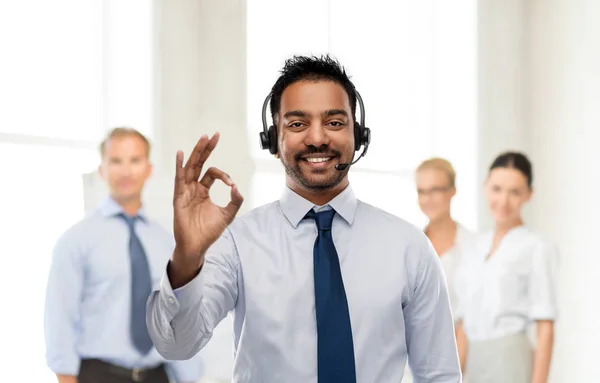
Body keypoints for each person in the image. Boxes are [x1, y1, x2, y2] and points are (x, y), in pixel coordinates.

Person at [147, 55, 461, 382]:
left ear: (360, 135)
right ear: (272, 140)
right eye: (297, 124)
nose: (317, 138)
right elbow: (176, 345)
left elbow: (439, 374)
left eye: (335, 122)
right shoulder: (236, 241)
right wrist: (187, 257)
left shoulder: (409, 248)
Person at [44, 128, 204, 383]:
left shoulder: (165, 242)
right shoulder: (76, 240)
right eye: (116, 161)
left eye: (135, 160)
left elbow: (178, 318)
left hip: (157, 375)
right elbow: (60, 321)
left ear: (148, 169)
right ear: (102, 170)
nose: (126, 171)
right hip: (98, 375)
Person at [454, 151, 558, 383]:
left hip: (511, 359)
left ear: (529, 195)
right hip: (473, 360)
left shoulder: (537, 246)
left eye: (515, 192)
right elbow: (463, 322)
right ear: (485, 187)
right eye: (497, 189)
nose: (503, 201)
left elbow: (545, 328)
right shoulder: (474, 247)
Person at [415, 158, 475, 320]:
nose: (427, 199)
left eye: (435, 190)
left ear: (452, 190)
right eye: (421, 191)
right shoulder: (411, 248)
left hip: (463, 343)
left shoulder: (474, 247)